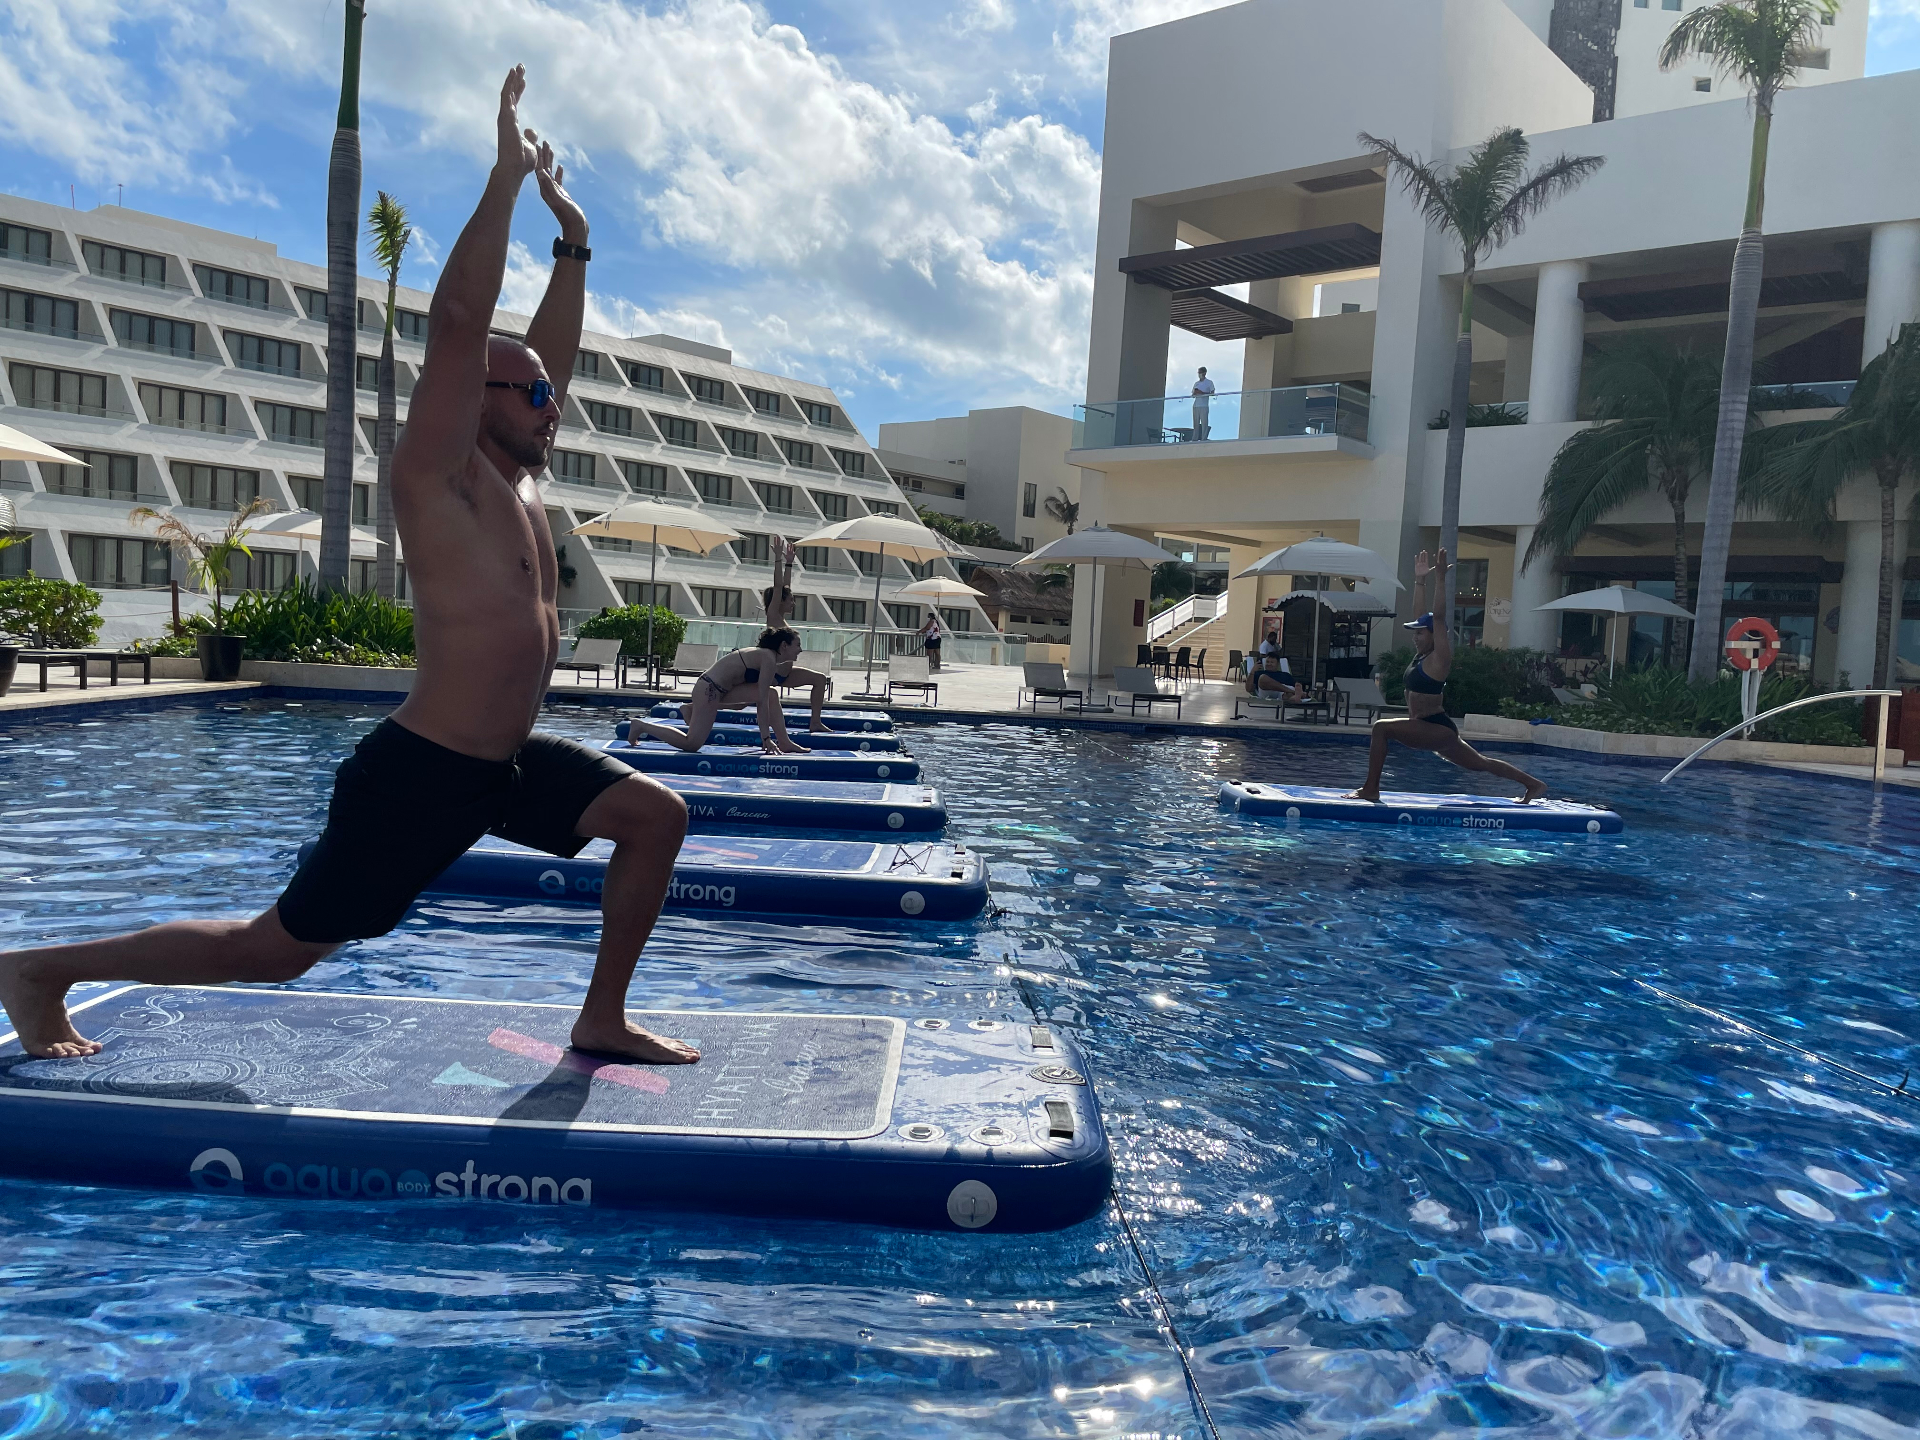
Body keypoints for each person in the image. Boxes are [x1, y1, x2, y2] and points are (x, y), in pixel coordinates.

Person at [0, 68, 699, 1064]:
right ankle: (43, 969)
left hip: (497, 770)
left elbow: (539, 353)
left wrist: (574, 242)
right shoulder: (438, 477)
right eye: (538, 397)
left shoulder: (525, 479)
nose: (556, 404)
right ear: (482, 397)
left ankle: (600, 1017)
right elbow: (463, 327)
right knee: (276, 951)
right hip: (421, 775)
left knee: (653, 816)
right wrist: (504, 182)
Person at [1347, 548, 1547, 804]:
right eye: (1415, 633)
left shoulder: (1439, 659)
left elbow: (1438, 617)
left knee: (1380, 728)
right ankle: (1533, 784)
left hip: (1435, 728)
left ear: (1433, 634)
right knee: (1480, 764)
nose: (1415, 636)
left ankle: (1371, 789)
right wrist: (1420, 580)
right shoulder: (1420, 656)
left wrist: (1440, 578)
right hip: (1431, 730)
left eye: (1420, 633)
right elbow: (1420, 614)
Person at [627, 629, 811, 754]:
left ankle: (784, 742)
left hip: (719, 690)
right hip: (709, 690)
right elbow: (761, 703)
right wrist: (765, 738)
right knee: (691, 744)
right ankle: (641, 726)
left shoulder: (767, 657)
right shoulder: (769, 658)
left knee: (771, 694)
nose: (800, 650)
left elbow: (762, 695)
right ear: (784, 646)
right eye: (797, 645)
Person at [760, 539, 833, 732]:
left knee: (820, 679)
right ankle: (694, 709)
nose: (793, 603)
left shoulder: (780, 618)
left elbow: (784, 588)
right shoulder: (773, 615)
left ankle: (815, 722)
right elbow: (779, 588)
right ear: (780, 602)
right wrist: (777, 559)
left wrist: (790, 563)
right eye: (791, 601)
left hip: (786, 675)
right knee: (739, 702)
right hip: (772, 676)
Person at [1191, 366, 1216, 441]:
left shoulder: (1209, 382)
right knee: (1196, 423)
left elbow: (1212, 393)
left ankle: (1203, 438)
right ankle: (1195, 438)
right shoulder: (1196, 383)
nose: (1199, 374)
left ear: (1204, 373)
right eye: (1198, 373)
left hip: (1204, 405)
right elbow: (1192, 395)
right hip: (1196, 405)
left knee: (1204, 423)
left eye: (1200, 372)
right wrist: (1196, 393)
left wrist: (1202, 393)